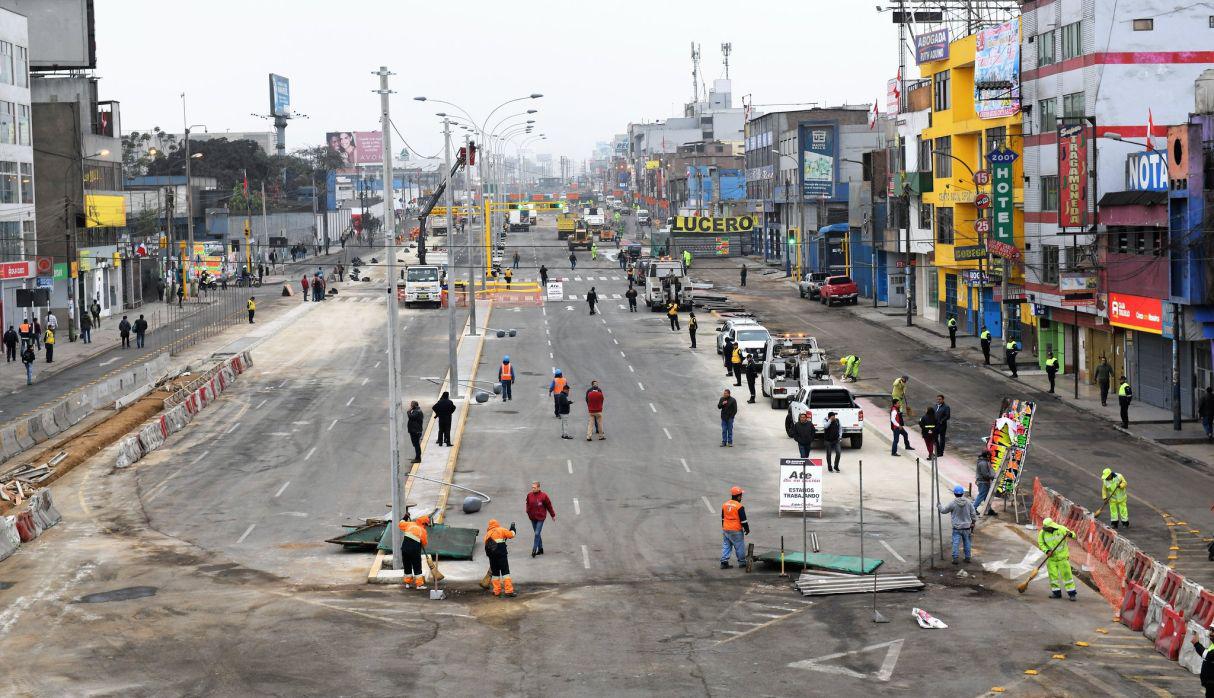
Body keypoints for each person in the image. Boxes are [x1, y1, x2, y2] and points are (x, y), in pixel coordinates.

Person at [1037, 517, 1077, 600]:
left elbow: (1074, 535)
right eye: (1044, 528)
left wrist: (1070, 534)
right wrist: (1047, 551)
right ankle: (1056, 593)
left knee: (1067, 575)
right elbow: (1041, 543)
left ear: (1051, 527)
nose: (1045, 529)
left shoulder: (1061, 529)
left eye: (1047, 528)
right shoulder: (1042, 533)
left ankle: (1072, 594)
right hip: (1051, 559)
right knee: (1053, 576)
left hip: (1062, 558)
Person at [939, 485, 978, 564]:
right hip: (967, 527)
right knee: (967, 542)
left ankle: (955, 558)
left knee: (955, 543)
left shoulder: (952, 503)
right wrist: (973, 522)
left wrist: (939, 506)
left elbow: (943, 511)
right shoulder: (968, 502)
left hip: (957, 527)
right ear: (962, 493)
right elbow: (973, 514)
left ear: (954, 494)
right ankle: (967, 557)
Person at [484, 518, 517, 597]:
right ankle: (508, 591)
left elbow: (488, 547)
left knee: (495, 574)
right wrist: (513, 528)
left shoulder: (487, 535)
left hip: (492, 558)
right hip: (502, 555)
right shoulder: (501, 530)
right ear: (497, 524)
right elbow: (511, 535)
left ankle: (496, 591)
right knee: (505, 573)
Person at [398, 514, 431, 590]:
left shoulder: (409, 524)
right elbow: (424, 543)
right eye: (426, 524)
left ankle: (407, 583)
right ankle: (419, 585)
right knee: (417, 566)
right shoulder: (422, 531)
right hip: (414, 550)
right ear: (423, 523)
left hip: (404, 549)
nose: (426, 526)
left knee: (407, 565)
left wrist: (405, 517)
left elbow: (400, 524)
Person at [720, 486, 749, 569]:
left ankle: (724, 562)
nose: (741, 497)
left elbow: (723, 518)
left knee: (727, 545)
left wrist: (724, 527)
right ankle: (742, 562)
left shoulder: (725, 504)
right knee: (739, 546)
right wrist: (747, 529)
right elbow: (743, 521)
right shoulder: (739, 506)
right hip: (736, 530)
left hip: (726, 529)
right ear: (738, 496)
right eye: (741, 496)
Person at [526, 482, 556, 557]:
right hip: (532, 517)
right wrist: (527, 511)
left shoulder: (544, 496)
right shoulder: (529, 495)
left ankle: (534, 550)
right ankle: (540, 549)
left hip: (540, 518)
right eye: (532, 487)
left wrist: (553, 515)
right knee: (537, 533)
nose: (533, 489)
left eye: (534, 487)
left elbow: (549, 506)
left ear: (539, 488)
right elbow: (527, 503)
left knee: (536, 533)